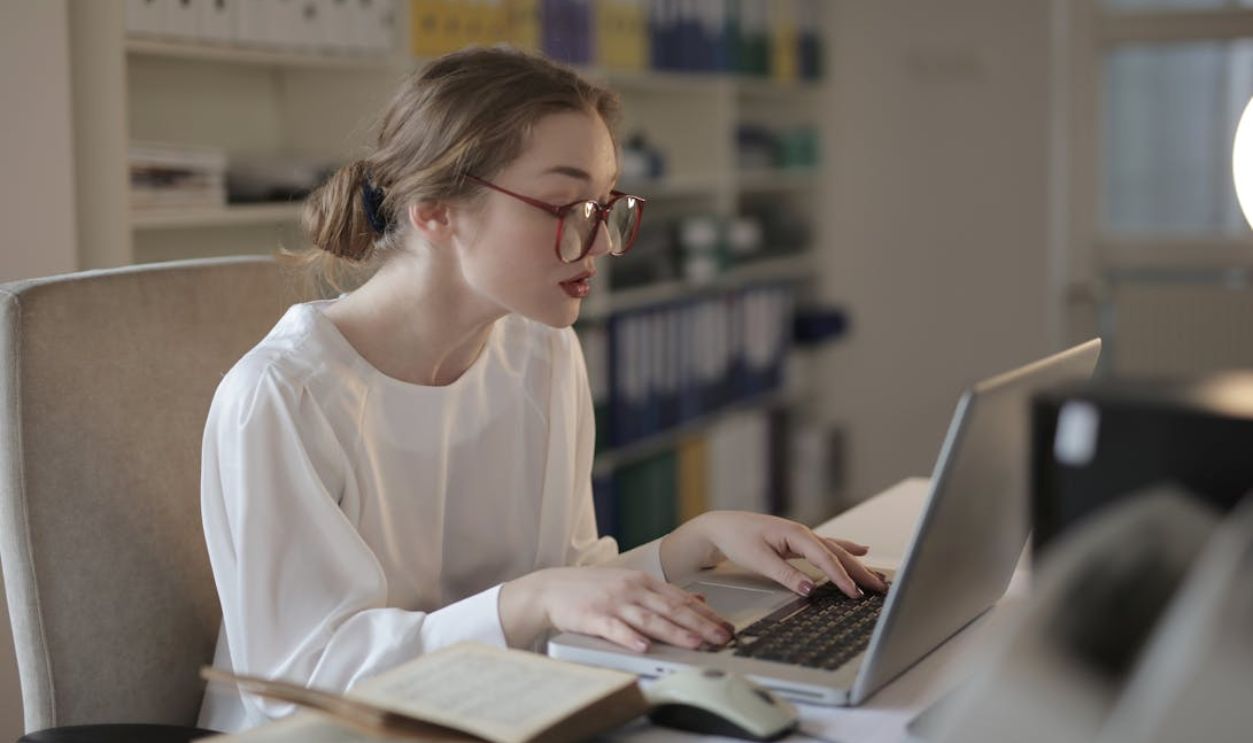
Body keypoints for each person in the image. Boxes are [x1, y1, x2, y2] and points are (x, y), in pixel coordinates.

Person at [198, 46, 886, 732]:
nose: (602, 244)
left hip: (493, 712)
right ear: (436, 211)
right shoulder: (284, 395)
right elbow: (293, 686)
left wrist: (696, 543)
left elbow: (566, 578)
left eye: (605, 205)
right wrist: (532, 598)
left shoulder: (540, 348)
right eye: (564, 204)